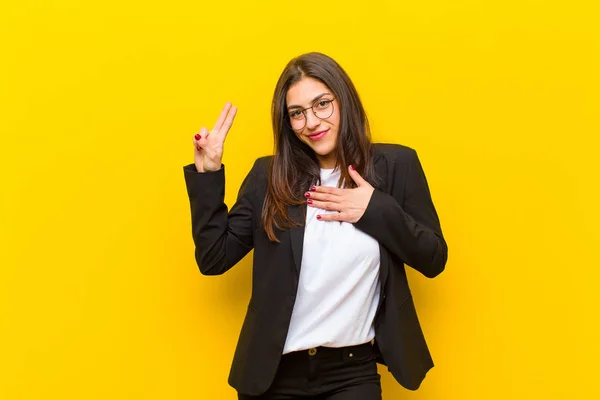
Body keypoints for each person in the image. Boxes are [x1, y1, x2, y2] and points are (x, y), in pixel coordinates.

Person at [183, 52, 448, 400]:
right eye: (297, 113)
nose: (311, 122)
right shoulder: (269, 176)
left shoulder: (396, 166)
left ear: (344, 100)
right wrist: (209, 174)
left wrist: (375, 208)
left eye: (322, 104)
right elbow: (214, 259)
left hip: (352, 374)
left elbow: (433, 258)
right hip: (274, 377)